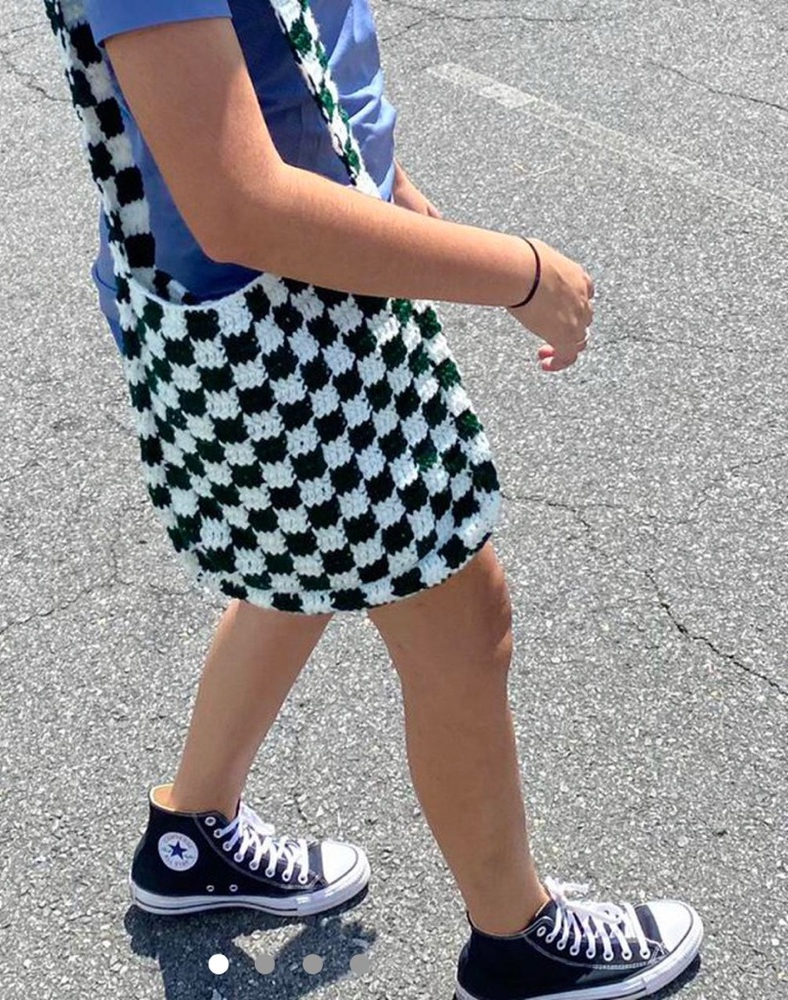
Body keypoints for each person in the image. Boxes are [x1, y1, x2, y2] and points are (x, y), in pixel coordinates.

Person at [55, 2, 703, 997]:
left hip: (301, 295)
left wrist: (395, 195)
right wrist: (517, 273)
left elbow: (300, 68)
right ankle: (517, 936)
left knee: (305, 562)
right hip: (277, 330)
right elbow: (236, 200)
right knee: (459, 606)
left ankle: (193, 831)